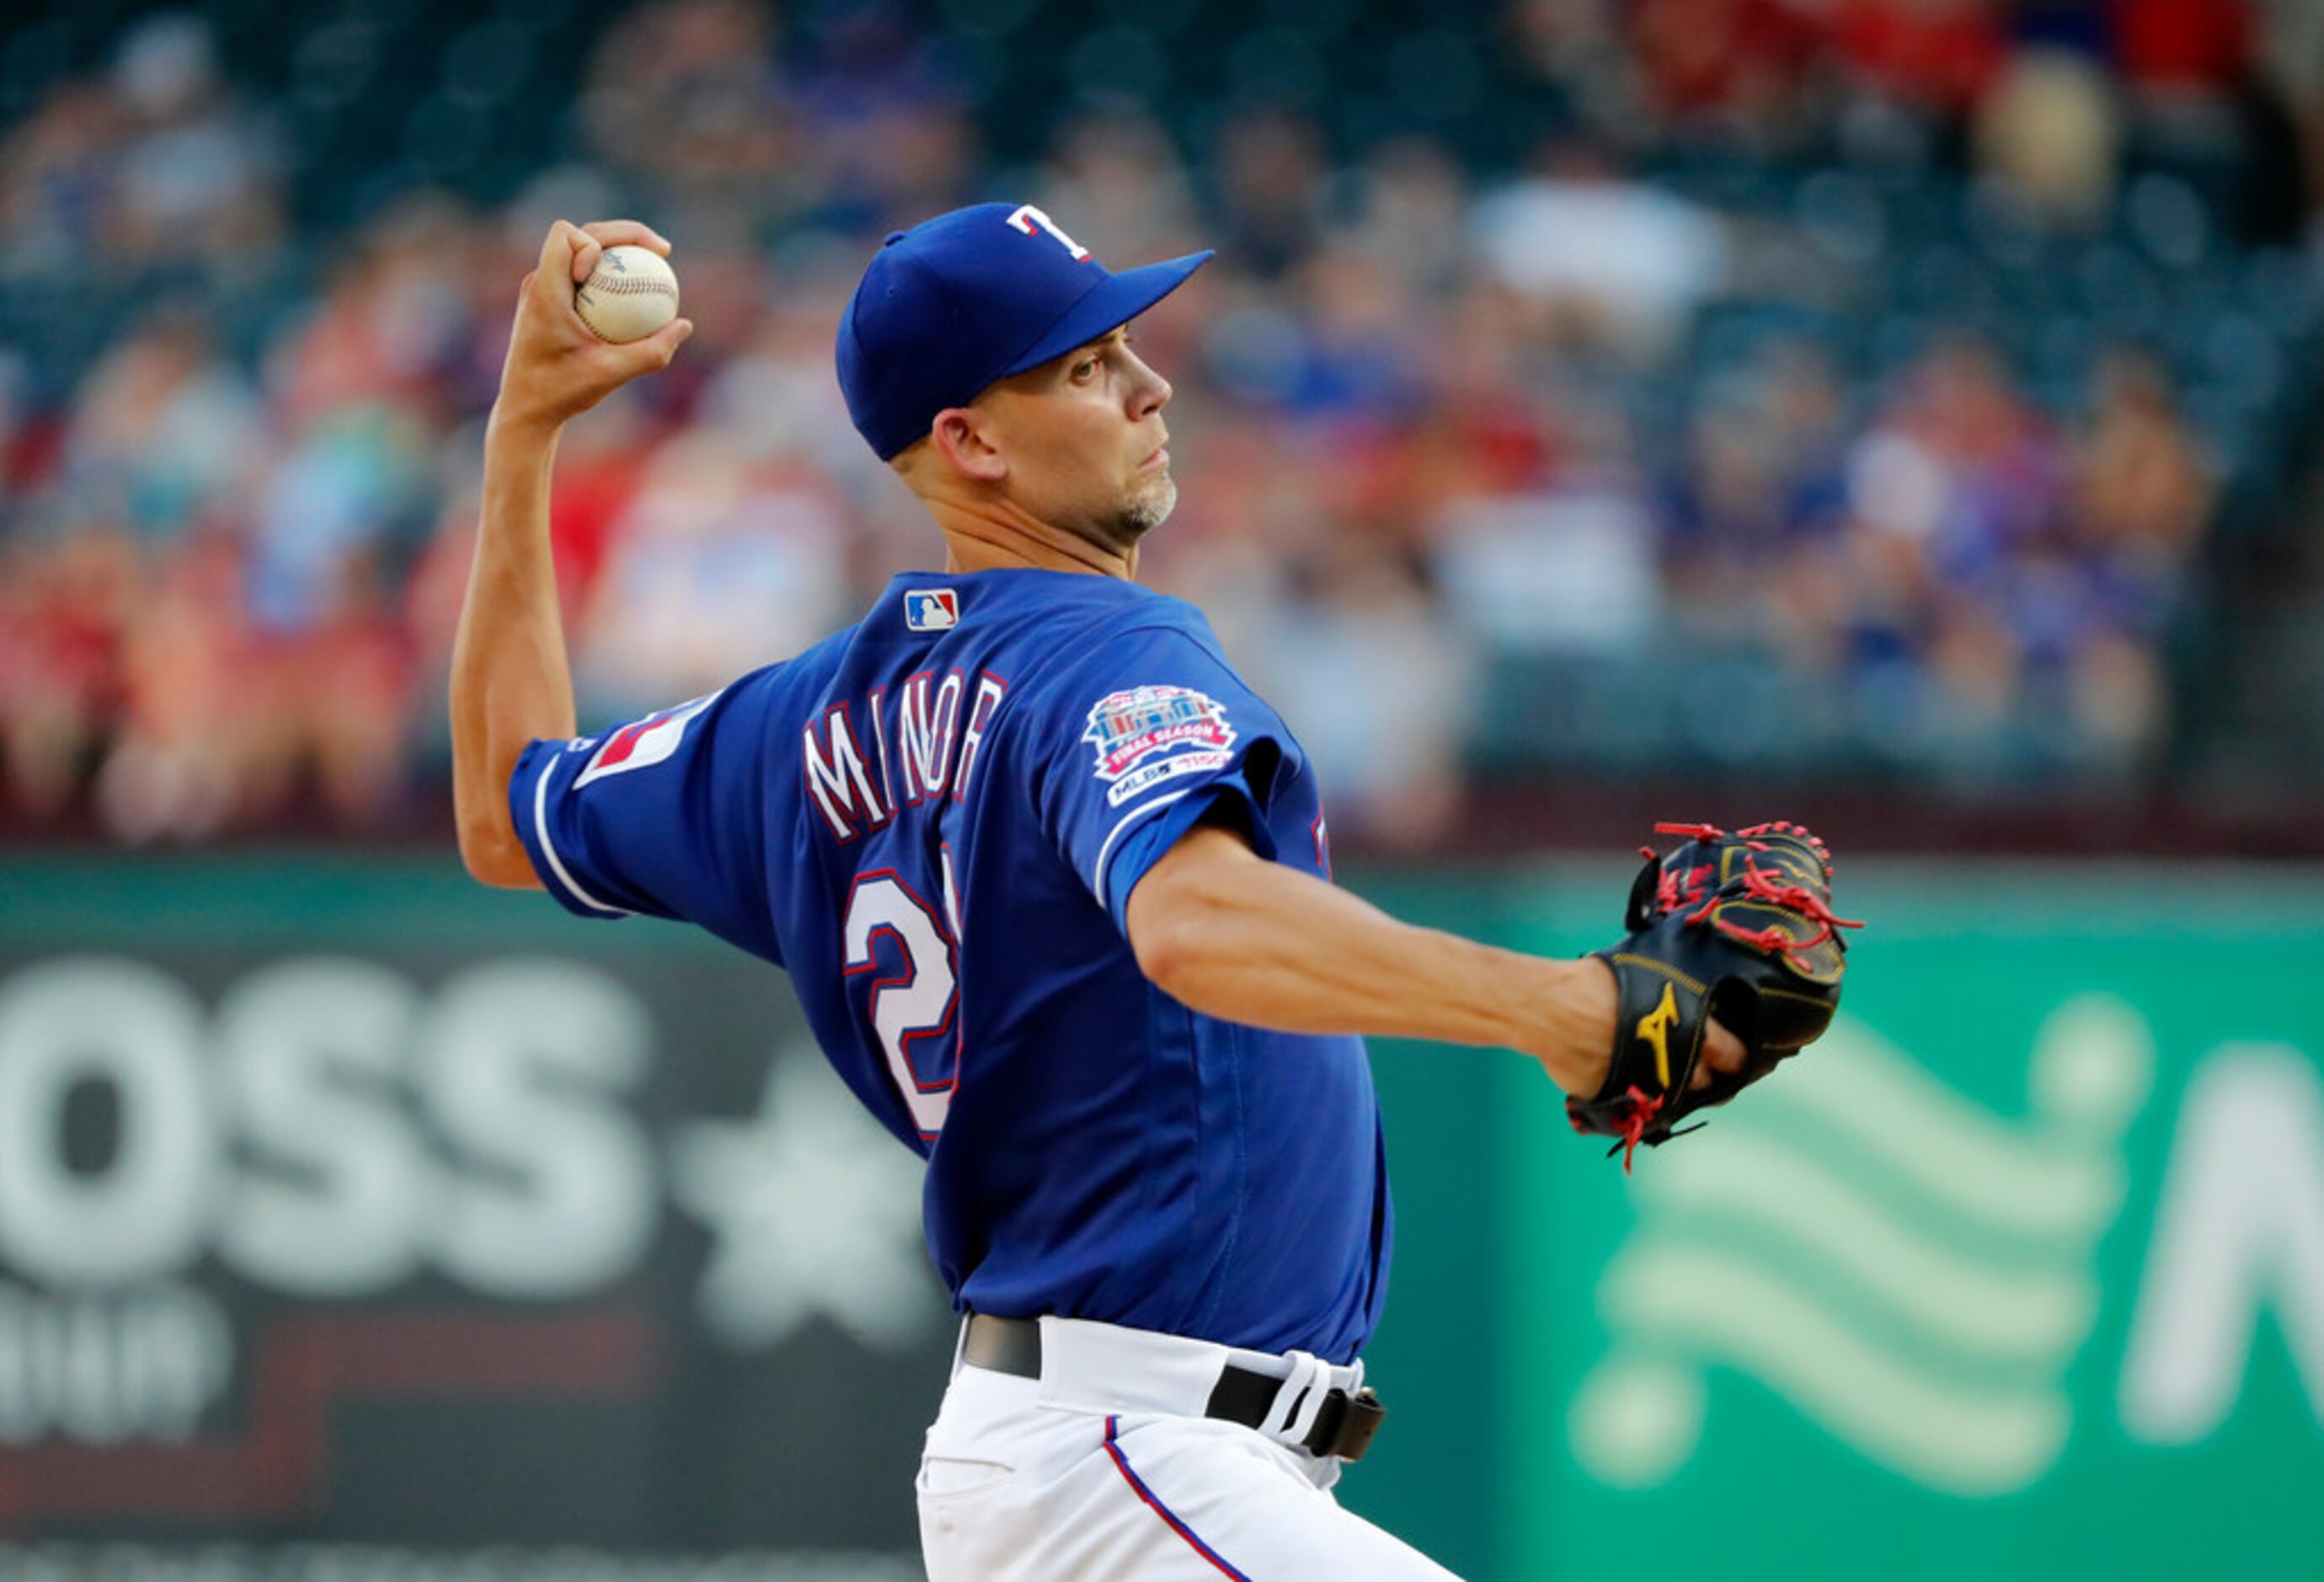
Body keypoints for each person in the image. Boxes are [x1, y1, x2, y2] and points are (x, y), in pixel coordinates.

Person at [450, 206, 1748, 1580]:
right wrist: (1570, 1008)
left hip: (1103, 1461)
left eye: (1127, 345)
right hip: (1135, 1452)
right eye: (1083, 364)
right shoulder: (1104, 654)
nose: (1150, 385)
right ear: (971, 443)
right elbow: (1192, 920)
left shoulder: (788, 728)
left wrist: (522, 433)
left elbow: (501, 806)